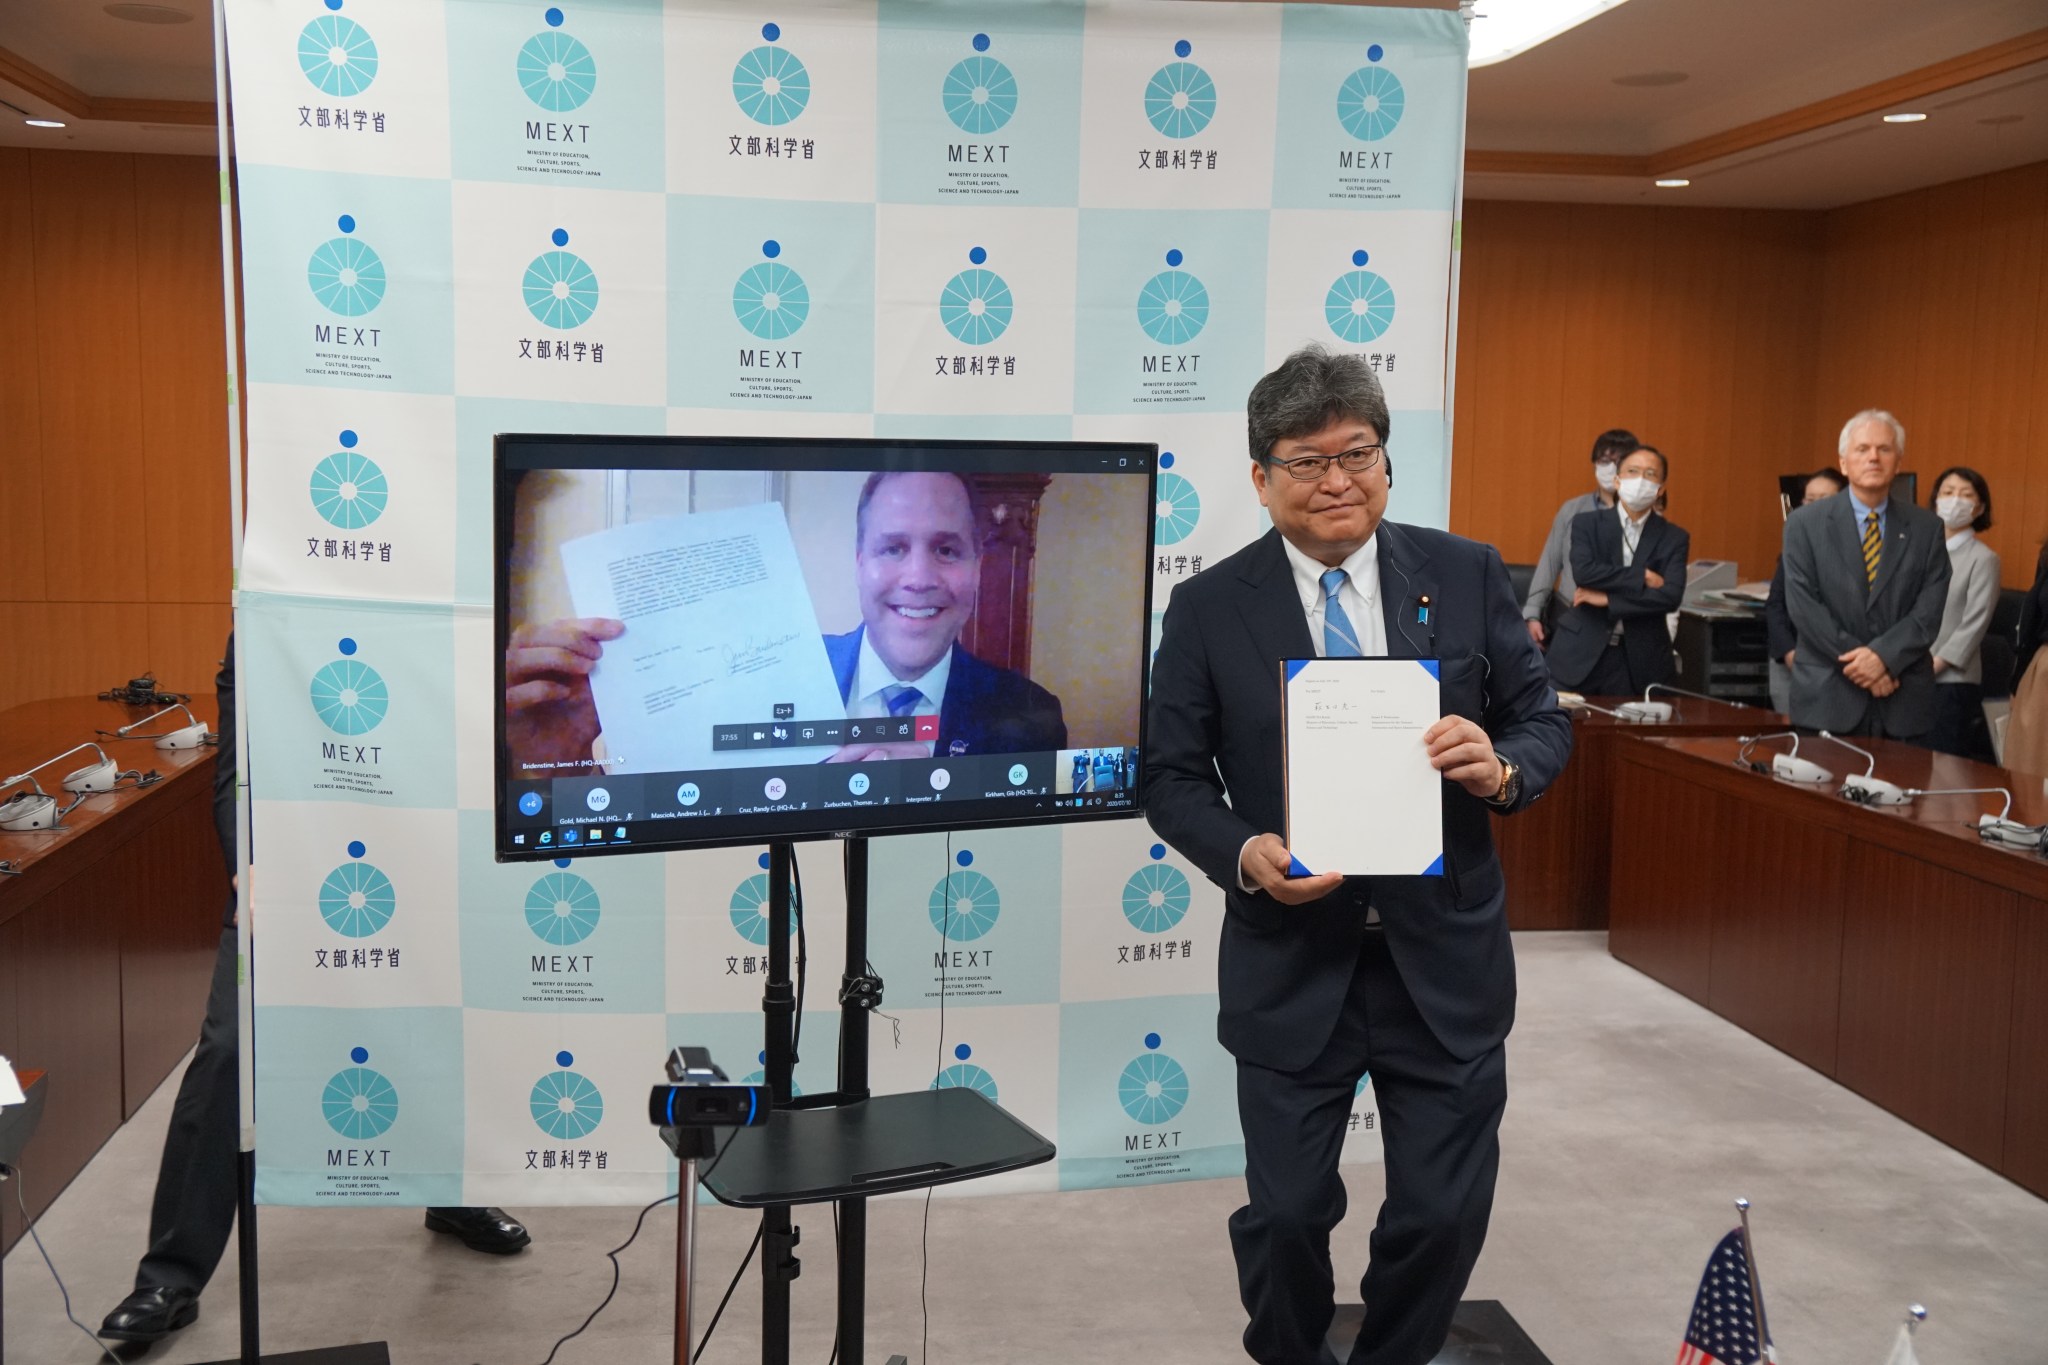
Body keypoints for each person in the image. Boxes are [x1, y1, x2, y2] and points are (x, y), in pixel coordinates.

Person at [1145, 346, 1572, 1365]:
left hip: (1444, 957)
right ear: (1260, 479)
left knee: (1438, 1215)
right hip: (1293, 954)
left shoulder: (1463, 572)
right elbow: (1166, 776)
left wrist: (1499, 768)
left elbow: (1540, 722)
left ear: (1386, 462)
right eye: (1306, 461)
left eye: (1358, 453)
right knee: (1287, 1217)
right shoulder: (1208, 608)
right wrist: (1244, 850)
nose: (1337, 479)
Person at [101, 637, 531, 1348]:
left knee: (431, 1023)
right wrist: (242, 861)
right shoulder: (268, 614)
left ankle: (453, 1194)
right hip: (294, 860)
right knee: (227, 1047)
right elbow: (235, 765)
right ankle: (168, 1276)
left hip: (412, 843)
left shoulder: (422, 606)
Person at [505, 470, 1065, 769]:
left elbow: (1021, 883)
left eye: (946, 550)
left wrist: (935, 799)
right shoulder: (759, 676)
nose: (918, 577)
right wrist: (555, 764)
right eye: (893, 548)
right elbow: (671, 834)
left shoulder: (1031, 715)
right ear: (859, 561)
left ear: (977, 567)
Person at [1781, 409, 1950, 741]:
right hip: (1828, 698)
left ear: (1898, 463)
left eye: (1884, 449)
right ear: (1844, 463)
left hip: (1903, 703)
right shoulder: (1804, 524)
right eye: (1862, 449)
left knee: (1906, 793)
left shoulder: (1927, 528)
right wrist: (1868, 667)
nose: (1873, 457)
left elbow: (1928, 611)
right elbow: (1805, 608)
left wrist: (1884, 658)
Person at [1543, 444, 1689, 697]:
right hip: (1579, 652)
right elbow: (1585, 573)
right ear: (1618, 481)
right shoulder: (1587, 523)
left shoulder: (1674, 537)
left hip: (1642, 659)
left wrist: (1608, 599)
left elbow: (1670, 596)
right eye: (1633, 471)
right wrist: (1641, 576)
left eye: (1650, 474)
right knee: (1562, 729)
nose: (1641, 480)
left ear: (1660, 489)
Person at [1521, 428, 1637, 646]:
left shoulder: (1640, 516)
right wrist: (1533, 613)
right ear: (1594, 463)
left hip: (1621, 627)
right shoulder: (1573, 509)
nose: (1610, 467)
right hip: (1571, 618)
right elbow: (1549, 563)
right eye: (1604, 460)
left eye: (1619, 461)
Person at [1925, 466, 2000, 761]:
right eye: (1947, 492)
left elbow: (1975, 623)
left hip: (1951, 680)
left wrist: (1934, 665)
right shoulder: (1923, 551)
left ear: (1979, 508)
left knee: (1943, 769)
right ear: (1935, 501)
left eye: (1966, 495)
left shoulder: (1983, 559)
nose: (1955, 500)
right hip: (1910, 676)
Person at [1766, 469, 1848, 714]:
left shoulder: (1858, 550)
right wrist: (1789, 652)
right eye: (1809, 500)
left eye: (1823, 499)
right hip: (1791, 661)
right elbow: (1775, 605)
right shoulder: (1793, 545)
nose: (1814, 507)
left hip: (1837, 662)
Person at [2007, 539, 2048, 774]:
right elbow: (2031, 622)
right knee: (2030, 773)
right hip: (2042, 674)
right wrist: (2017, 682)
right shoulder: (2046, 556)